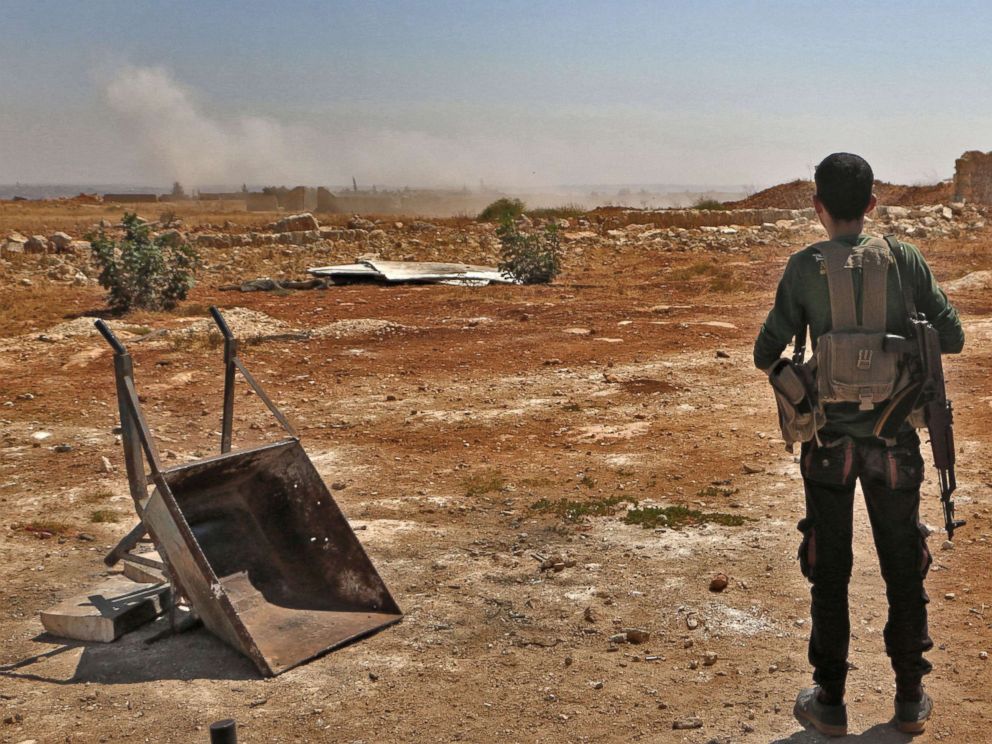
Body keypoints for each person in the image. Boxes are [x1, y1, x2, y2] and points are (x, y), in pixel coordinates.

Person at [753, 153, 965, 736]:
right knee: (904, 567)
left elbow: (764, 352)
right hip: (894, 445)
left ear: (817, 206)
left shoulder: (803, 268)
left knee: (830, 569)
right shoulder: (903, 260)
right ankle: (908, 700)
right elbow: (953, 336)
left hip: (827, 446)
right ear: (872, 204)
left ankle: (830, 701)